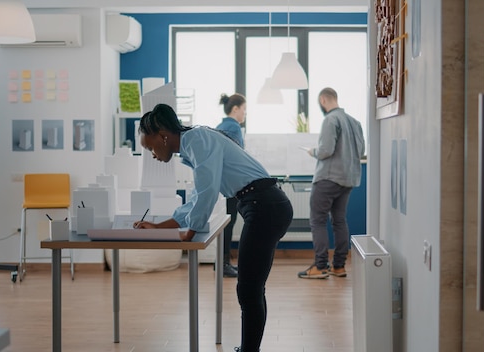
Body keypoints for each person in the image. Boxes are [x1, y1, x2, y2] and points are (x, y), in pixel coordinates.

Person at [134, 103, 293, 352]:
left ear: (163, 136)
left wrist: (191, 231)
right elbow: (201, 195)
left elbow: (207, 193)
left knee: (249, 288)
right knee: (251, 287)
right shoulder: (195, 142)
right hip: (264, 204)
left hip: (264, 206)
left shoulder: (197, 140)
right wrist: (160, 227)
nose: (152, 154)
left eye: (150, 147)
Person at [298, 87, 365, 279]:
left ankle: (320, 266)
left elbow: (325, 150)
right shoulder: (355, 122)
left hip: (327, 178)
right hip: (348, 179)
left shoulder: (330, 119)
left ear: (323, 100)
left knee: (318, 221)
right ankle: (339, 266)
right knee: (339, 221)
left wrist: (313, 152)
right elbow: (361, 152)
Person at [216, 93, 247, 278]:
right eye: (244, 110)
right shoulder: (233, 128)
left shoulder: (221, 126)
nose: (244, 114)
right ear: (235, 109)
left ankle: (222, 262)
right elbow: (236, 158)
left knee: (226, 222)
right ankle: (224, 263)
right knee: (229, 222)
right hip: (231, 183)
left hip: (222, 182)